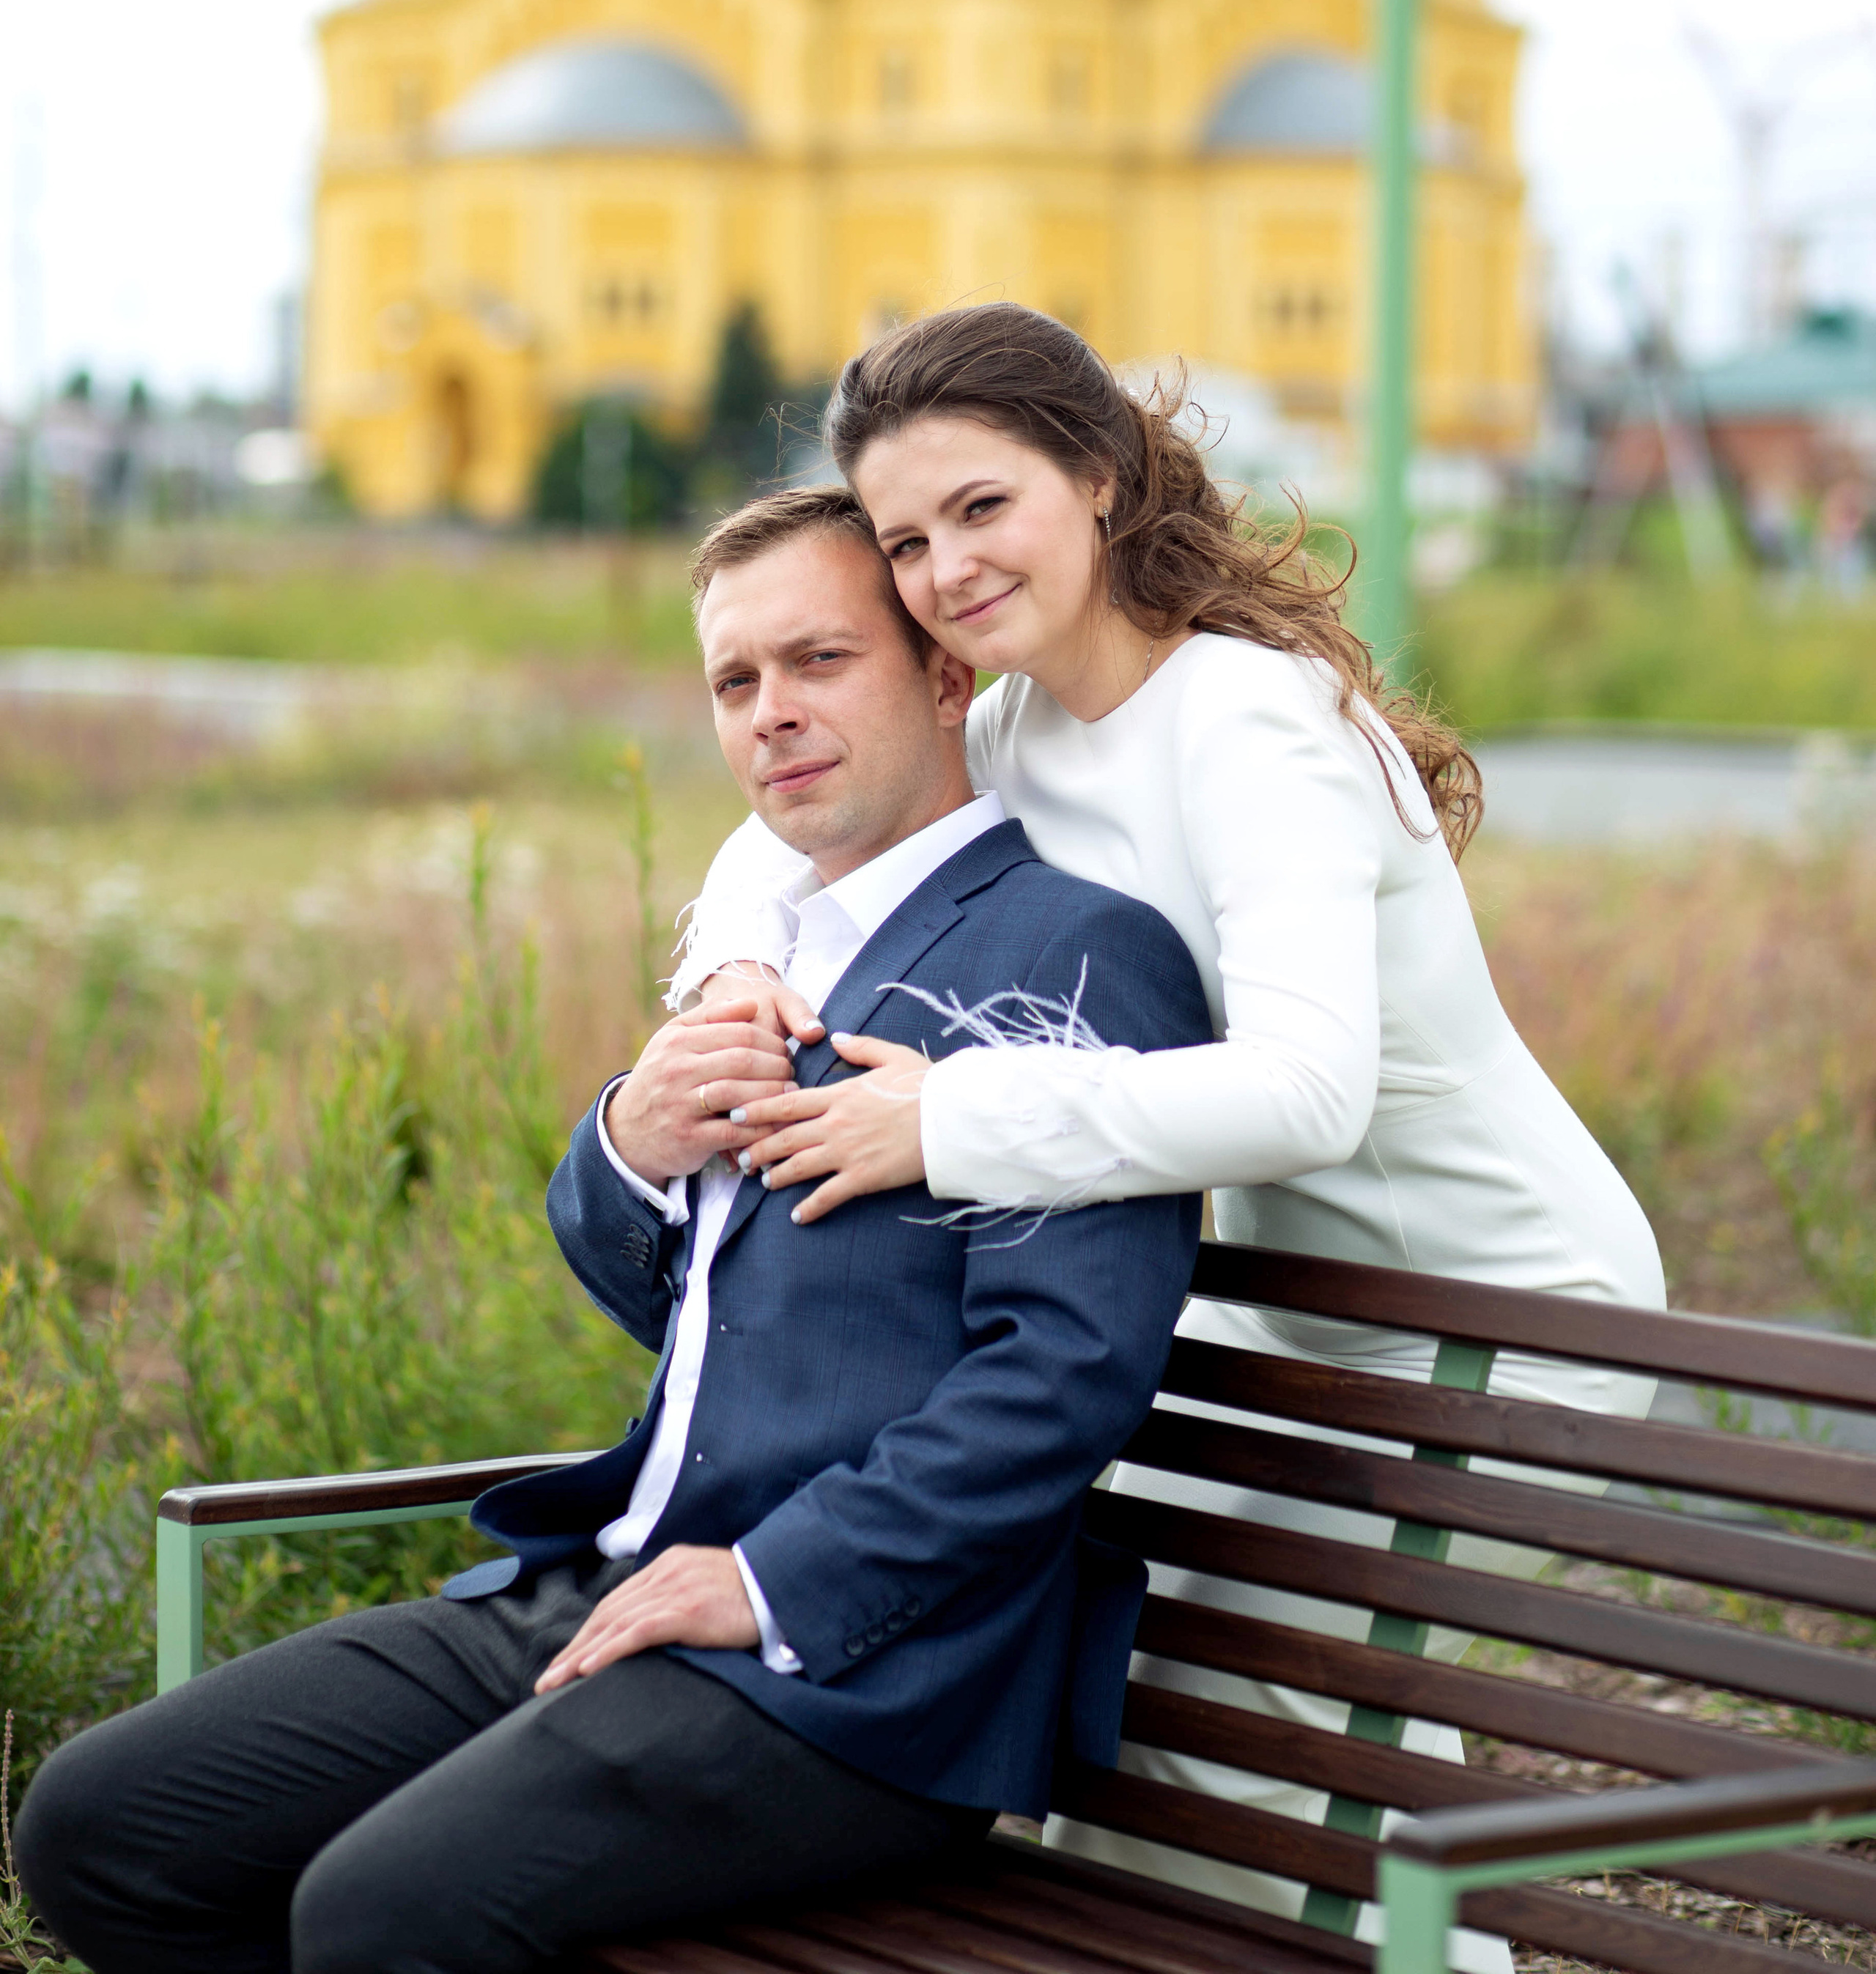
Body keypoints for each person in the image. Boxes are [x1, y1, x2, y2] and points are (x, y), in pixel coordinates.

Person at [18, 484, 1213, 1974]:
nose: (770, 712)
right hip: (614, 1576)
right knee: (98, 1827)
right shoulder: (768, 952)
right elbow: (684, 1295)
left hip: (858, 1670)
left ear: (942, 675)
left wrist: (773, 1579)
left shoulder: (1072, 949)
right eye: (734, 681)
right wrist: (626, 1143)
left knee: (380, 1916)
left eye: (819, 661)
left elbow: (1063, 1374)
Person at [674, 302, 1666, 1926]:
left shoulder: (1253, 724)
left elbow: (1305, 1093)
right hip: (1297, 1319)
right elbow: (786, 834)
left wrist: (954, 1123)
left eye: (982, 508)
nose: (944, 569)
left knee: (1284, 1748)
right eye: (907, 539)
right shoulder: (1012, 721)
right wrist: (728, 974)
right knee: (1131, 1708)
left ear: (1100, 478)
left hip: (1497, 1311)